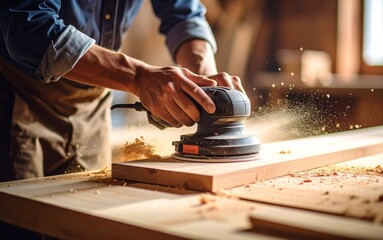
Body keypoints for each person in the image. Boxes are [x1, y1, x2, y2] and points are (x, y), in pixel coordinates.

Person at [0, 0, 245, 182]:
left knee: (85, 211)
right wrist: (138, 78)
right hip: (22, 97)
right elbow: (28, 27)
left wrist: (204, 81)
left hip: (92, 104)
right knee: (24, 219)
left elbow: (183, 14)